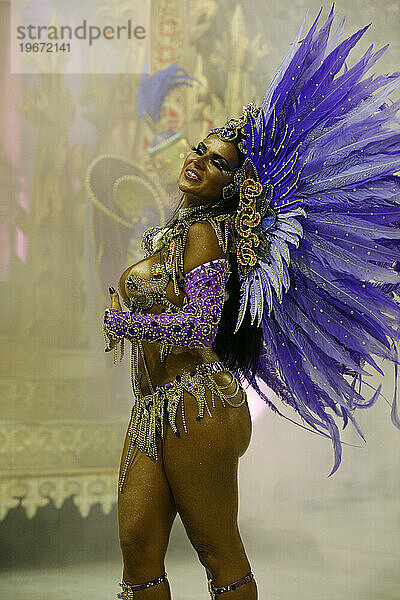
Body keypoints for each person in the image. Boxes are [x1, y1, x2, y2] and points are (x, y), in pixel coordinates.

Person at [103, 8, 400, 599]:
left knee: (218, 551)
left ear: (233, 185)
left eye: (216, 162)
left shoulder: (209, 236)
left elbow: (200, 325)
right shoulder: (178, 229)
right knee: (138, 547)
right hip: (151, 405)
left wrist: (123, 319)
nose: (197, 160)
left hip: (198, 405)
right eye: (198, 149)